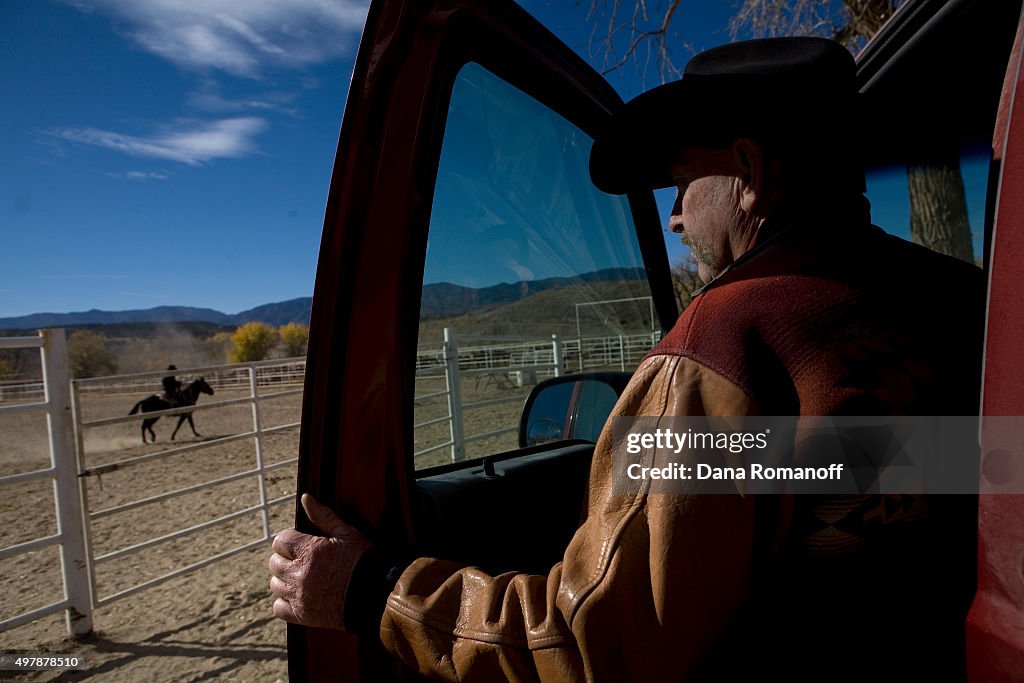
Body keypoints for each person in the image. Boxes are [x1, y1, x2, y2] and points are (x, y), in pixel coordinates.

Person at [270, 38, 984, 680]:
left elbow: (590, 647)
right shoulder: (964, 298)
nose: (673, 214)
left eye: (680, 180)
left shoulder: (727, 340)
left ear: (747, 171)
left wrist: (374, 590)